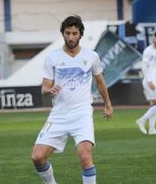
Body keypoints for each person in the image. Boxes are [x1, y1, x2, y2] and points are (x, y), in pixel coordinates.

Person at [31, 15, 113, 184]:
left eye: (75, 33)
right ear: (63, 33)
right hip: (59, 114)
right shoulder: (52, 57)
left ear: (80, 34)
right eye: (67, 33)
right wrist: (49, 90)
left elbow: (100, 82)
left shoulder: (91, 56)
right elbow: (44, 88)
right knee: (37, 158)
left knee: (84, 156)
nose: (71, 37)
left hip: (81, 113)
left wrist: (107, 104)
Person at [136, 31, 156, 135]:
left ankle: (152, 129)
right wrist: (149, 81)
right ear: (154, 39)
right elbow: (144, 66)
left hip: (155, 80)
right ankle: (142, 120)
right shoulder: (148, 50)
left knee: (154, 105)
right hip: (149, 81)